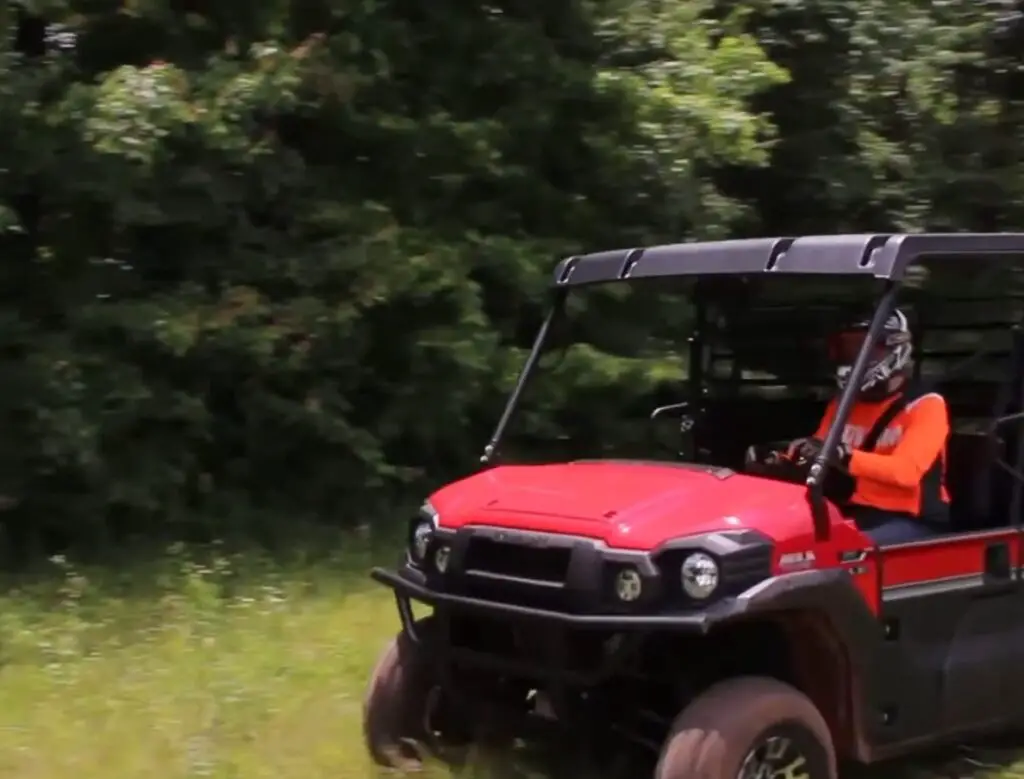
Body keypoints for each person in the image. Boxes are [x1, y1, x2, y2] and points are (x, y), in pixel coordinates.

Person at [778, 309, 951, 544]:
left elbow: (906, 473)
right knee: (786, 541)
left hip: (909, 520)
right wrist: (784, 457)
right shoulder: (842, 403)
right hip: (852, 510)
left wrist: (844, 455)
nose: (851, 359)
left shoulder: (925, 405)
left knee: (834, 551)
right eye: (845, 349)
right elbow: (818, 453)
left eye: (861, 349)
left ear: (891, 349)